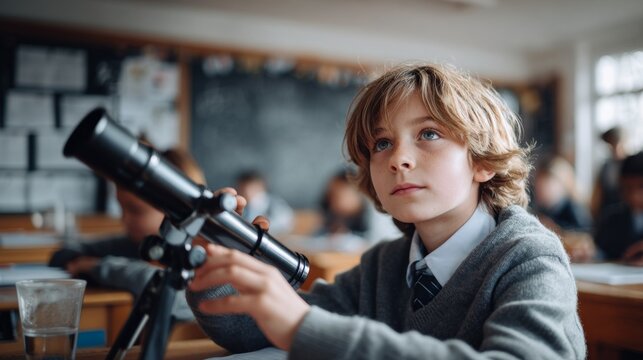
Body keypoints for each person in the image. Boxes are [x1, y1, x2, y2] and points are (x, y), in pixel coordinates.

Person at [186, 64, 586, 359]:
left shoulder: (530, 257)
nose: (399, 159)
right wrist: (215, 264)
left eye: (429, 134)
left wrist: (304, 328)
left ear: (483, 162)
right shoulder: (384, 265)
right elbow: (251, 331)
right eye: (381, 144)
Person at [49, 148, 206, 321]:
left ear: (177, 209)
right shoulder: (138, 243)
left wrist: (97, 267)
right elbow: (65, 253)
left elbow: (171, 290)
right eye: (122, 208)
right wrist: (75, 259)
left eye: (135, 210)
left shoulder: (200, 253)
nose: (124, 219)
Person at [532, 155, 595, 262]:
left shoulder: (574, 209)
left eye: (547, 185)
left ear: (562, 185)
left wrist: (555, 229)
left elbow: (585, 237)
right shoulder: (541, 209)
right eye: (539, 185)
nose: (541, 190)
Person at [318, 168, 401, 242]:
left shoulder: (377, 211)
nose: (332, 203)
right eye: (330, 196)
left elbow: (377, 241)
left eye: (336, 196)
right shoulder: (336, 215)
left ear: (356, 192)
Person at [594, 151, 643, 266]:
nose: (634, 196)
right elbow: (601, 251)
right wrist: (591, 252)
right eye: (628, 188)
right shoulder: (611, 218)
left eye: (641, 187)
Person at [236, 170, 294, 235]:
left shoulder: (275, 204)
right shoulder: (241, 205)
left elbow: (285, 223)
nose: (244, 192)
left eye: (250, 188)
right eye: (241, 188)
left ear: (260, 187)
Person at [590, 126, 627, 221]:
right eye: (611, 145)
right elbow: (598, 193)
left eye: (617, 144)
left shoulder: (631, 165)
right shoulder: (606, 167)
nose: (615, 149)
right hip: (607, 210)